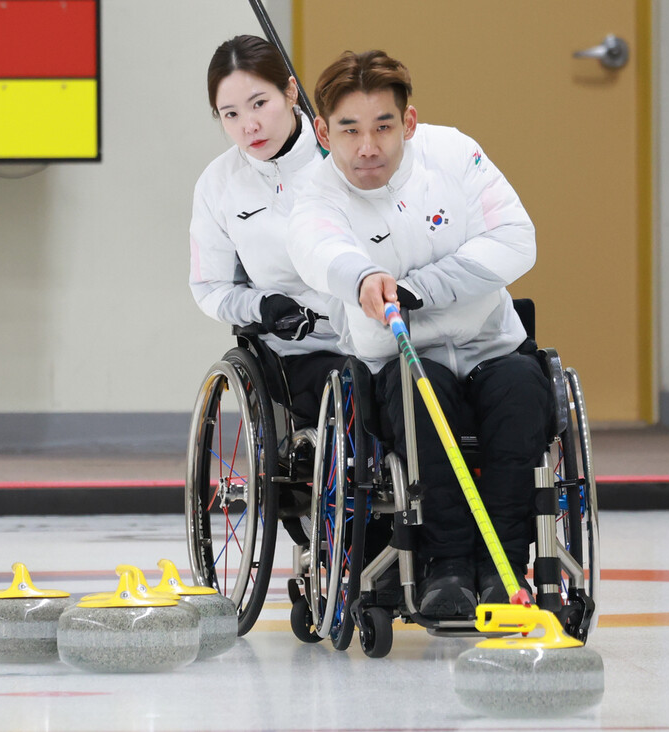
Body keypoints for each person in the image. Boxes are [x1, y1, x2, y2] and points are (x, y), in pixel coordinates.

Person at [288, 50, 554, 618]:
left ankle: (503, 567)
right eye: (349, 130)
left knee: (524, 392)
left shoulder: (454, 153)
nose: (368, 147)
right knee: (420, 392)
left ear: (407, 123)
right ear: (322, 132)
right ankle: (449, 566)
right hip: (400, 362)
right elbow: (319, 250)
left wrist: (418, 289)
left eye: (383, 126)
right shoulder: (314, 192)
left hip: (490, 344)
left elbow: (515, 239)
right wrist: (361, 277)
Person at [189, 35, 347, 428]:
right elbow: (210, 286)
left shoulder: (346, 156)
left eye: (260, 103)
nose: (250, 126)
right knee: (350, 391)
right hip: (297, 353)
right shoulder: (217, 184)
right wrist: (262, 306)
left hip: (375, 339)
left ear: (291, 91)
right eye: (231, 115)